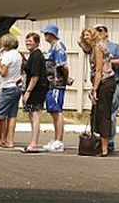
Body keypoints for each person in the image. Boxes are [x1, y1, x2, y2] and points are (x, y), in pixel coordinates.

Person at [78, 26, 116, 156]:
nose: (85, 37)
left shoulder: (98, 47)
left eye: (87, 34)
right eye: (84, 35)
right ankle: (99, 145)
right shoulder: (94, 47)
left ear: (93, 35)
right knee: (96, 113)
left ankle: (104, 148)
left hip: (105, 83)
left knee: (103, 114)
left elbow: (99, 70)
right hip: (102, 82)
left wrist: (94, 88)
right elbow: (84, 47)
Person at [95, 24, 119, 153]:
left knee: (111, 115)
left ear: (106, 33)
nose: (98, 33)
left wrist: (109, 61)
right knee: (100, 115)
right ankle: (101, 139)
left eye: (101, 31)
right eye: (96, 31)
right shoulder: (95, 47)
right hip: (100, 85)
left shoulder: (114, 47)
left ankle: (110, 142)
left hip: (113, 84)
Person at [42, 24, 71, 152]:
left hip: (56, 83)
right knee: (53, 110)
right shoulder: (52, 47)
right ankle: (55, 138)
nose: (45, 36)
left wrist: (66, 78)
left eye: (46, 33)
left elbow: (63, 66)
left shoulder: (58, 46)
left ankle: (59, 140)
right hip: (50, 83)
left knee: (56, 110)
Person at [21, 31, 48, 153]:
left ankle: (34, 143)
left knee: (35, 114)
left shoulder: (37, 56)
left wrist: (28, 91)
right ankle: (33, 142)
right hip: (33, 87)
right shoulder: (32, 55)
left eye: (30, 41)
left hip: (37, 89)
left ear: (36, 43)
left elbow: (35, 76)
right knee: (31, 115)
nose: (28, 43)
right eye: (27, 41)